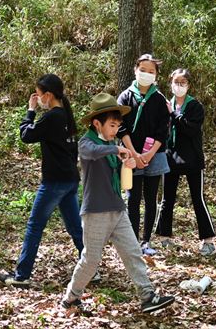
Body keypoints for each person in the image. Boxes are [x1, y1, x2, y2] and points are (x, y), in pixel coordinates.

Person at [62, 93, 175, 313]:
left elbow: (123, 182)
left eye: (117, 126)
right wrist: (117, 149)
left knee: (133, 252)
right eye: (112, 125)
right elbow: (91, 153)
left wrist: (128, 165)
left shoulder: (113, 144)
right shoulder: (87, 142)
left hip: (117, 209)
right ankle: (71, 298)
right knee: (90, 260)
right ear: (97, 123)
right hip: (95, 212)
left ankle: (148, 296)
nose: (115, 130)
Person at [0, 74, 85, 288]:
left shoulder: (52, 116)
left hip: (55, 182)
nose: (37, 98)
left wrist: (30, 111)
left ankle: (21, 275)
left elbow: (26, 136)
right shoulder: (66, 115)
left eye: (38, 95)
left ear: (48, 95)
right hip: (70, 179)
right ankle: (91, 269)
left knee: (35, 226)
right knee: (75, 226)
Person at [155, 68, 216, 256]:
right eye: (176, 82)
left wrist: (173, 114)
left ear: (188, 85)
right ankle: (164, 238)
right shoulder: (166, 105)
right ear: (170, 83)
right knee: (167, 199)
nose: (179, 86)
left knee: (197, 199)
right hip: (170, 158)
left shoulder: (195, 106)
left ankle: (208, 241)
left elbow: (190, 129)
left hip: (192, 159)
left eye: (183, 83)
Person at [117, 54, 171, 256]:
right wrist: (134, 153)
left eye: (151, 71)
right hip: (129, 155)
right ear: (135, 70)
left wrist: (148, 154)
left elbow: (162, 130)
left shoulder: (159, 99)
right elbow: (120, 128)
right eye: (143, 70)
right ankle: (131, 241)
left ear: (156, 75)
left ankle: (146, 240)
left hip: (154, 156)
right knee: (132, 197)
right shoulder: (125, 97)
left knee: (150, 199)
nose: (146, 74)